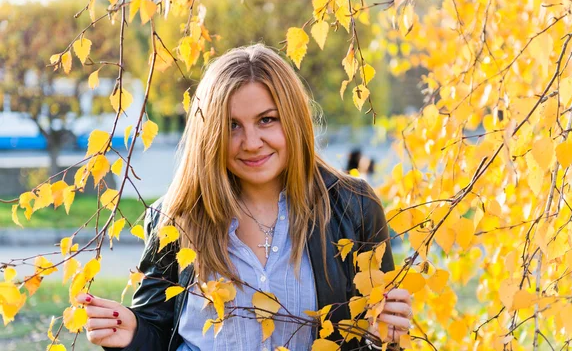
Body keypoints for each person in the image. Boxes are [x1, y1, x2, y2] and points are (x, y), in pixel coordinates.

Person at [77, 44, 413, 351]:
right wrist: (133, 333)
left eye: (266, 120)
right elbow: (158, 330)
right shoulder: (176, 217)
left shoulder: (353, 208)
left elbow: (372, 338)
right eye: (231, 125)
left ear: (293, 120)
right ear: (209, 134)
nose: (250, 142)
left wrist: (386, 339)